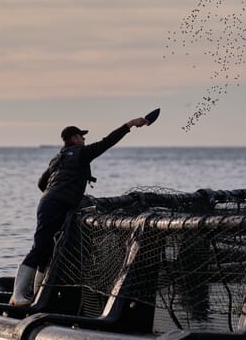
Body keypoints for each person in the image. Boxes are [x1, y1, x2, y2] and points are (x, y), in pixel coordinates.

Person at [9, 116, 148, 306]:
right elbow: (107, 142)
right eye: (82, 137)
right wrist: (129, 125)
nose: (84, 140)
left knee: (49, 249)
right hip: (55, 205)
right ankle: (17, 295)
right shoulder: (81, 153)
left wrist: (58, 193)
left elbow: (41, 183)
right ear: (74, 138)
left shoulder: (57, 159)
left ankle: (36, 295)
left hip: (49, 203)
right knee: (40, 247)